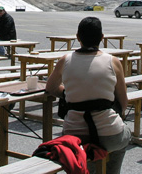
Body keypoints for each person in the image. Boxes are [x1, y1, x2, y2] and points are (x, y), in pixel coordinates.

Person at [46, 17, 130, 174]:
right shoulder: (113, 62)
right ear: (102, 37)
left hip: (74, 134)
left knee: (86, 153)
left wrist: (67, 93)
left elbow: (50, 87)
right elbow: (123, 103)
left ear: (78, 37)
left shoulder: (65, 60)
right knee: (123, 137)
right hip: (109, 133)